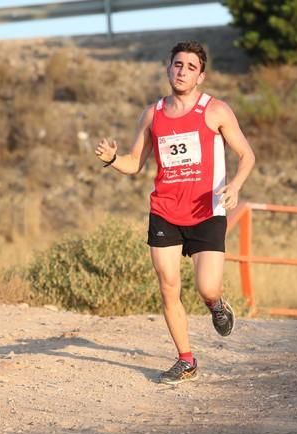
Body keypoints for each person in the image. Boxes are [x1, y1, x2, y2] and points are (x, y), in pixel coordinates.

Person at [94, 40, 256, 385]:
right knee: (168, 286)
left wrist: (236, 186)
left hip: (206, 210)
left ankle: (217, 305)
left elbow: (247, 155)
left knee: (206, 287)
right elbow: (135, 163)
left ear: (201, 76)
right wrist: (111, 159)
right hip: (165, 211)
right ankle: (186, 360)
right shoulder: (153, 114)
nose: (182, 72)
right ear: (169, 68)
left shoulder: (215, 111)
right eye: (177, 65)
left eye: (190, 68)